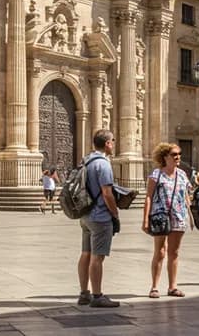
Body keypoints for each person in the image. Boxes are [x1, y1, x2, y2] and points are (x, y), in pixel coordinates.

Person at [77, 129, 120, 308]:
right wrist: (115, 213)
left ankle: (84, 293)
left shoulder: (86, 160)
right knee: (97, 257)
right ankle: (97, 295)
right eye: (113, 141)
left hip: (85, 214)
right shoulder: (103, 164)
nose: (114, 144)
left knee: (85, 254)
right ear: (108, 143)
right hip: (100, 216)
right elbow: (107, 193)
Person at [143, 142, 190, 299]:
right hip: (160, 217)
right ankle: (154, 287)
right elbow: (148, 197)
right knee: (160, 252)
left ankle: (173, 286)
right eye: (174, 154)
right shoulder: (156, 175)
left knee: (174, 252)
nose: (178, 157)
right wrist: (145, 220)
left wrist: (191, 215)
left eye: (179, 154)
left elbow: (186, 197)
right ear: (165, 157)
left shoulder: (182, 175)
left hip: (178, 216)